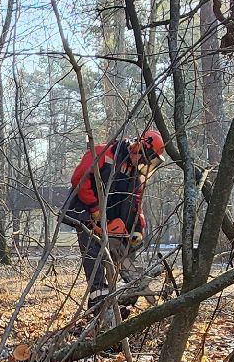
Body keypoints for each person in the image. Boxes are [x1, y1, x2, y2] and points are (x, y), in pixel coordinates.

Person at [60, 128, 165, 311]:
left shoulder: (135, 175)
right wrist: (94, 209)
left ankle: (123, 303)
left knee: (124, 260)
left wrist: (138, 228)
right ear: (139, 146)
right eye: (143, 158)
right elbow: (79, 178)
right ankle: (100, 309)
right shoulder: (104, 152)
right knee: (95, 264)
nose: (142, 163)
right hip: (86, 216)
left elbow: (136, 203)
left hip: (111, 221)